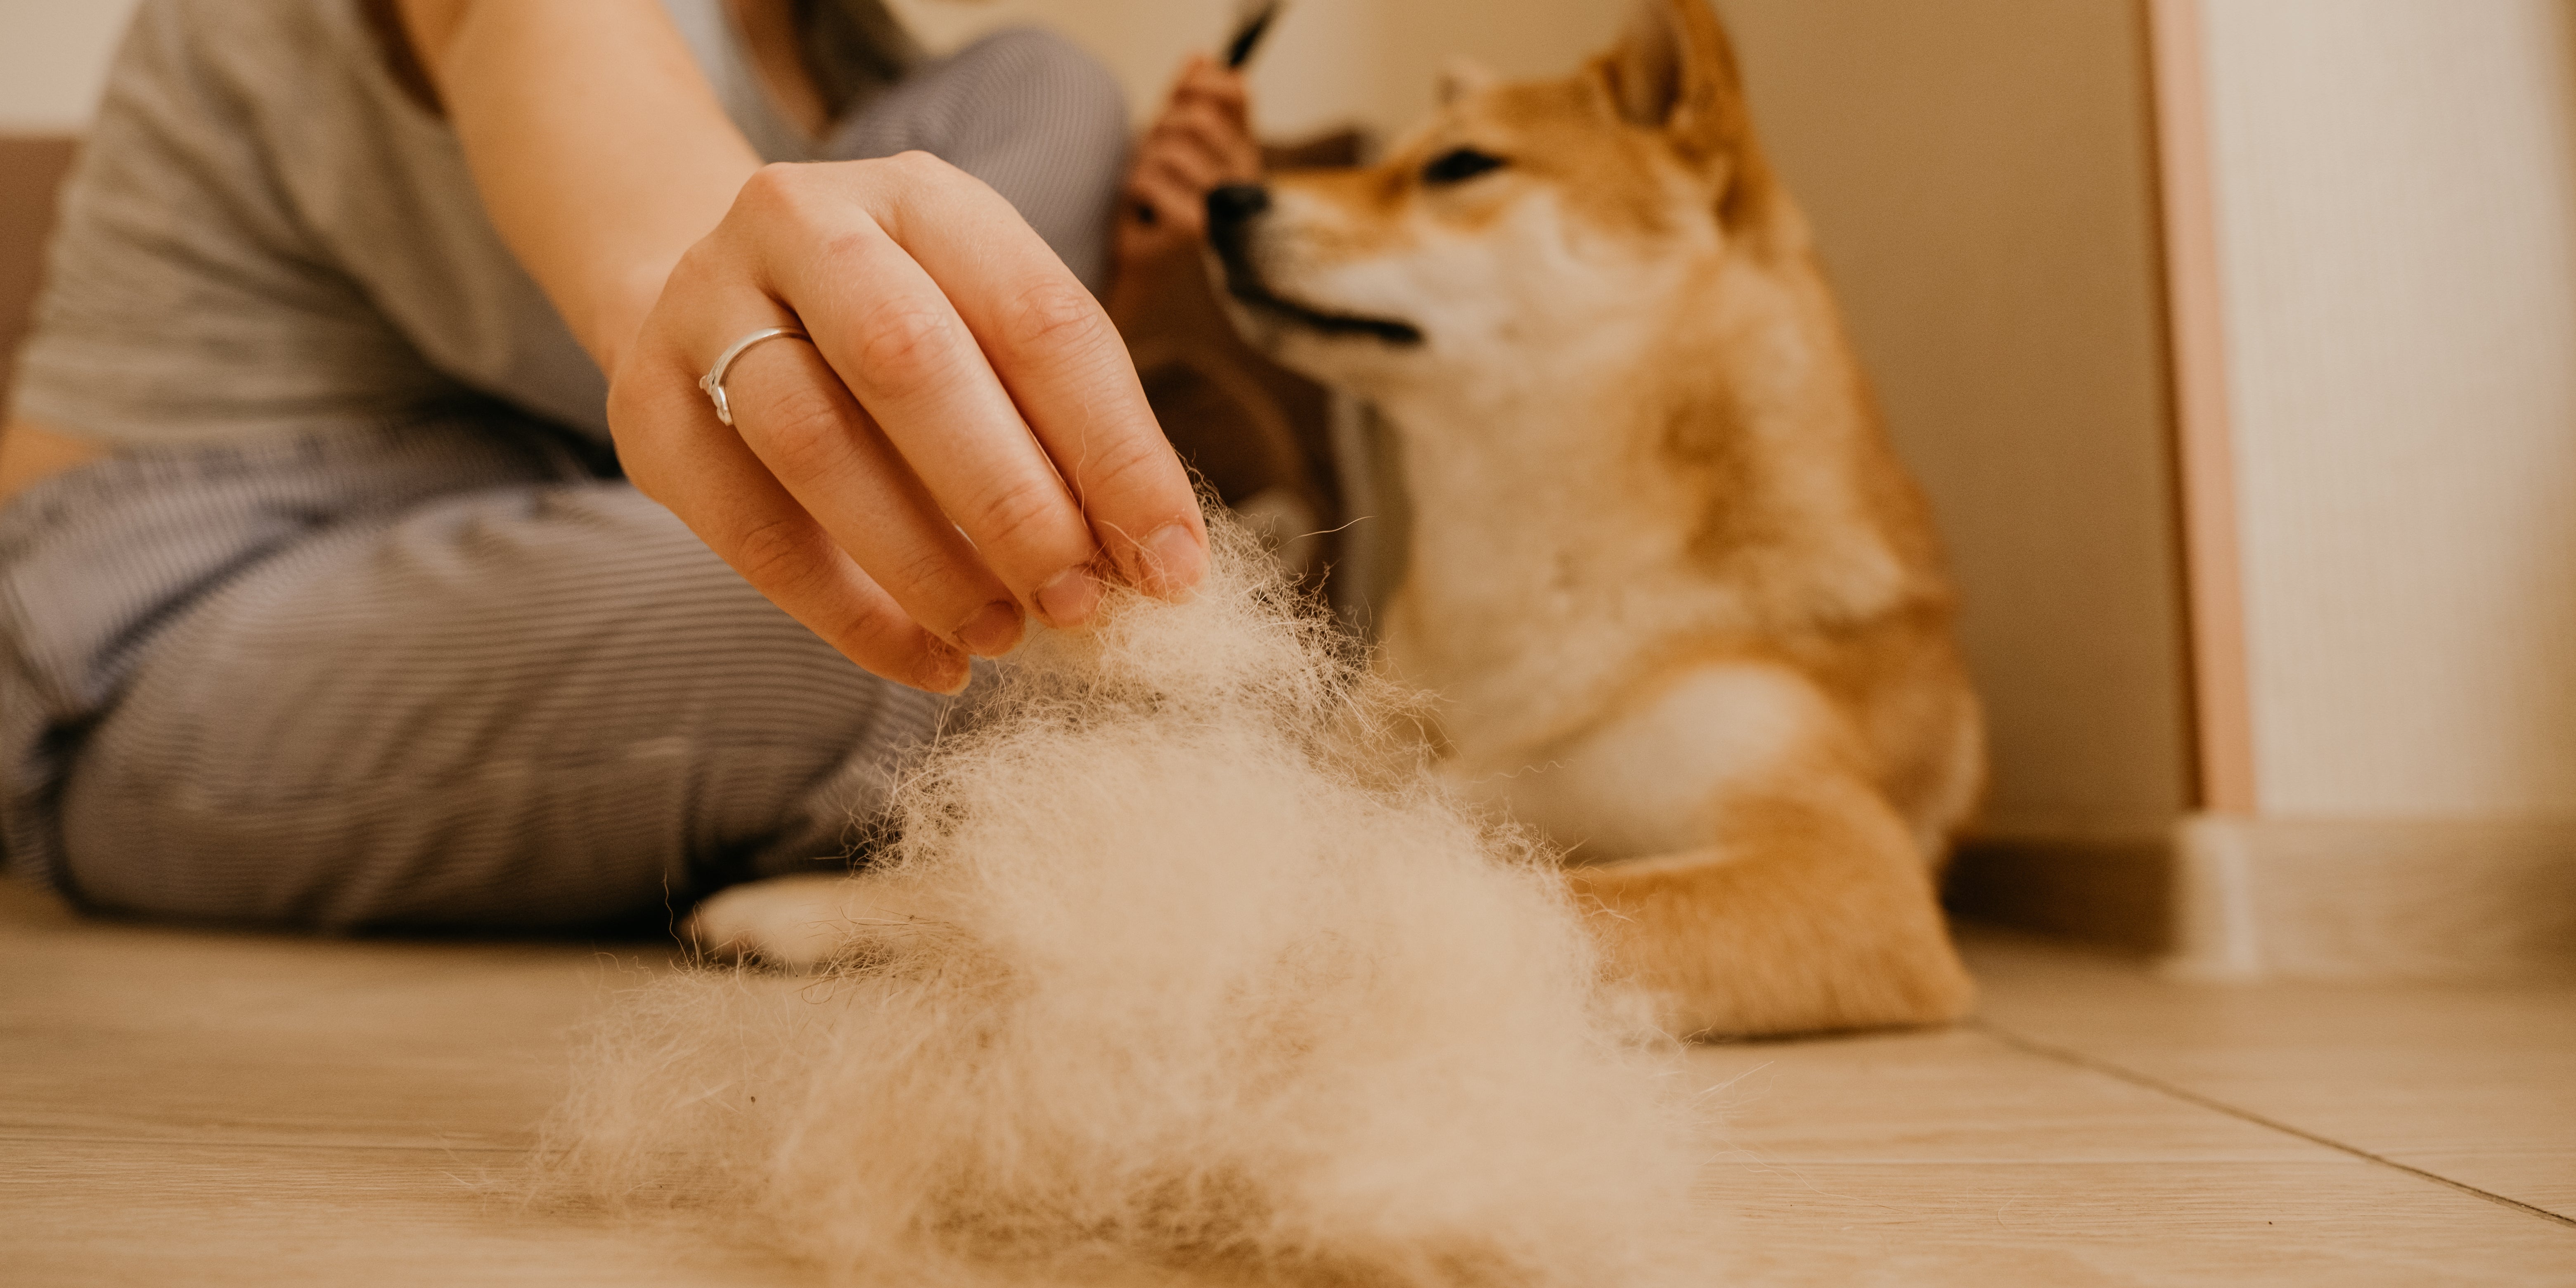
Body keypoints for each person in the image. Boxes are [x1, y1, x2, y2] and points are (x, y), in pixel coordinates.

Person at [0, 0, 1264, 931]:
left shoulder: (852, 57)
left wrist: (1131, 284)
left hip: (544, 492)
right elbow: (538, 44)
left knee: (1049, 84)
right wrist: (703, 279)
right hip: (163, 627)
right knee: (923, 634)